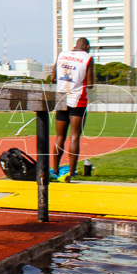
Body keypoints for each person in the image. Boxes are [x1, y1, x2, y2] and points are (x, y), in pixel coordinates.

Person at [51, 38, 94, 182]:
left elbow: (53, 78)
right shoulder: (88, 58)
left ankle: (55, 169)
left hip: (61, 97)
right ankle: (70, 171)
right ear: (87, 47)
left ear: (75, 45)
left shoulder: (62, 54)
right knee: (74, 136)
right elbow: (90, 84)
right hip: (77, 99)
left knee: (59, 137)